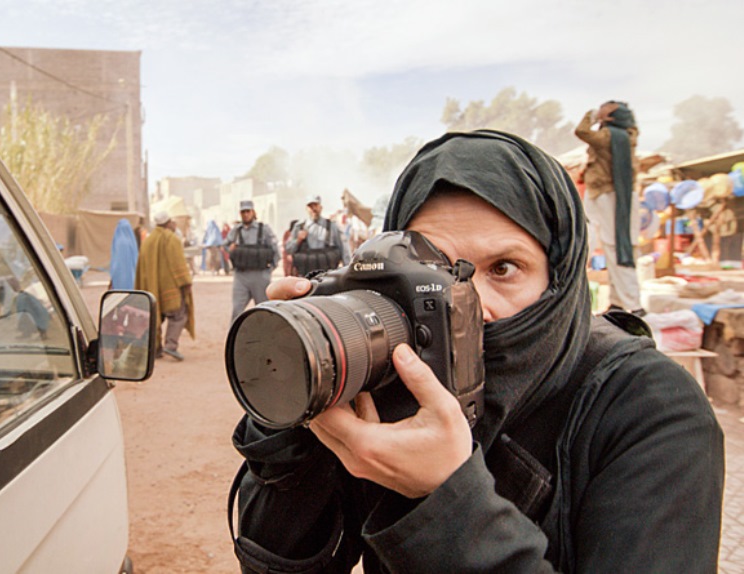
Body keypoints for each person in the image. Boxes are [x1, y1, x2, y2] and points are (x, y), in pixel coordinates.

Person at [229, 130, 724, 572]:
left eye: (504, 268)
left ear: (562, 279)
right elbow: (278, 561)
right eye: (435, 273)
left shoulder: (651, 408)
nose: (470, 304)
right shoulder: (387, 377)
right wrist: (294, 414)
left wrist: (445, 499)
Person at [575, 101, 644, 315]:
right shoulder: (621, 136)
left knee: (617, 247)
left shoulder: (610, 136)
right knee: (610, 246)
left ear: (612, 115)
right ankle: (618, 301)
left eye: (607, 107)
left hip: (610, 195)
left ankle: (632, 304)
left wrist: (593, 115)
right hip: (605, 194)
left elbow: (582, 131)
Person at [135, 210, 194, 361]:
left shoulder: (148, 241)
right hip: (170, 289)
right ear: (168, 223)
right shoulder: (171, 239)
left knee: (155, 318)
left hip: (152, 289)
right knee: (179, 316)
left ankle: (154, 349)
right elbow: (178, 264)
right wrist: (185, 282)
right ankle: (170, 345)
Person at [224, 200, 280, 323]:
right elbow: (225, 245)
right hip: (241, 276)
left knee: (264, 310)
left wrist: (270, 270)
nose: (245, 214)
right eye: (243, 212)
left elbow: (275, 249)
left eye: (248, 211)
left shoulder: (263, 229)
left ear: (253, 212)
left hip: (260, 275)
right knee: (237, 310)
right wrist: (230, 249)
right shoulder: (236, 231)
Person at [284, 194, 351, 276]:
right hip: (306, 275)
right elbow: (288, 249)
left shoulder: (332, 226)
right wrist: (298, 240)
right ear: (306, 209)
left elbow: (344, 249)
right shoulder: (299, 227)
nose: (313, 209)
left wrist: (347, 271)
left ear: (320, 207)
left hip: (328, 274)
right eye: (310, 206)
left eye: (315, 205)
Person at [109, 219, 138, 290]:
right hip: (132, 276)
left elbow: (116, 262)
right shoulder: (131, 241)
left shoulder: (118, 241)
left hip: (119, 277)